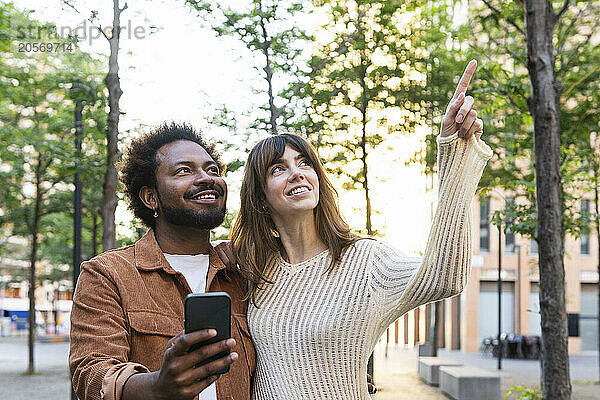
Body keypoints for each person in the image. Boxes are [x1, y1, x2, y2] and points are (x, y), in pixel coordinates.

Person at [227, 60, 493, 399]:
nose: (297, 173)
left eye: (304, 162)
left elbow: (445, 276)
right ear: (261, 200)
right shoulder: (255, 270)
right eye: (278, 168)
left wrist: (451, 152)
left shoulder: (366, 261)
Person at [69, 122, 255, 400]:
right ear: (150, 197)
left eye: (212, 169)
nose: (207, 178)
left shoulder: (243, 271)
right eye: (184, 170)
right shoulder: (107, 274)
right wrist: (158, 387)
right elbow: (92, 373)